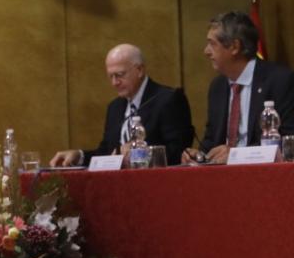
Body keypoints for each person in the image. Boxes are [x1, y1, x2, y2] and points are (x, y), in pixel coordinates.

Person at [184, 11, 294, 164]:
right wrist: (199, 155)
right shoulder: (217, 87)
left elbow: (292, 145)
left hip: (271, 178)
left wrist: (237, 155)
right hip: (223, 178)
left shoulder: (284, 82)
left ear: (234, 47)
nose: (206, 51)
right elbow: (212, 141)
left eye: (212, 44)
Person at [50, 43, 194, 166]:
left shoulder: (168, 99)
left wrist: (139, 154)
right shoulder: (115, 107)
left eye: (119, 75)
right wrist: (79, 156)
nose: (114, 83)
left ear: (139, 70)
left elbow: (179, 152)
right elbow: (107, 153)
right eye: (110, 76)